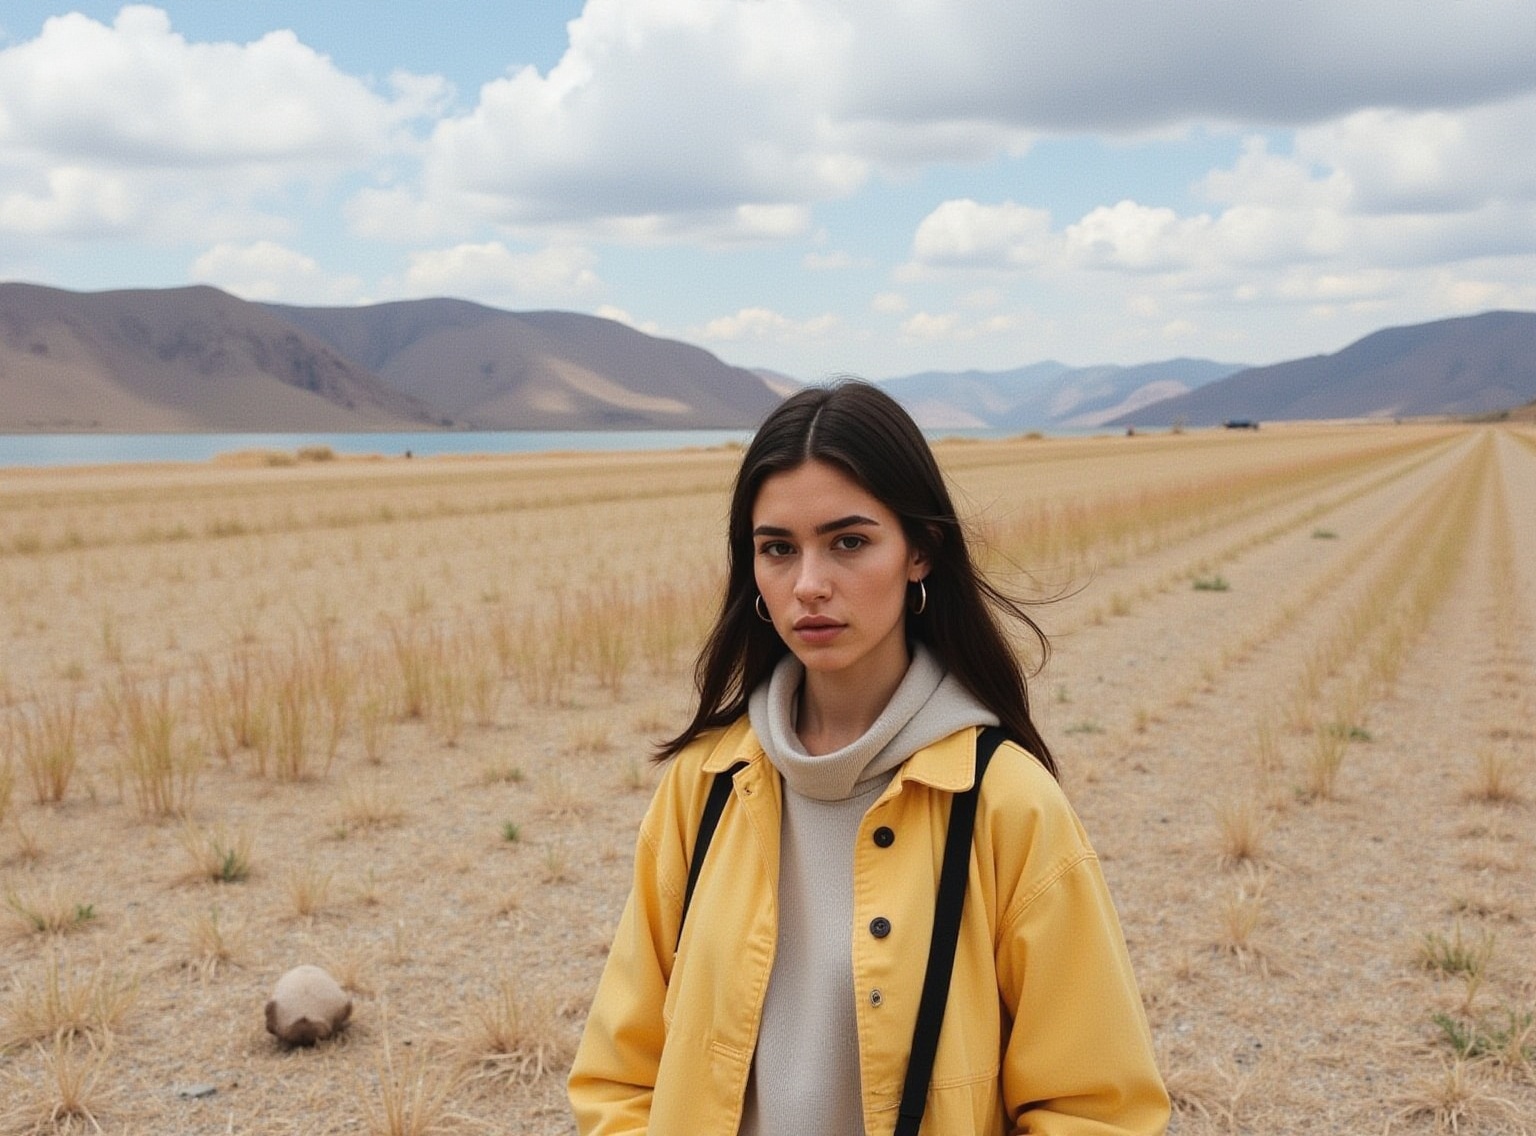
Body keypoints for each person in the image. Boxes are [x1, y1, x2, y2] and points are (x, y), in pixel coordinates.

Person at [568, 381, 1169, 1135]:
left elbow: (1097, 1109)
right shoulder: (703, 785)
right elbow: (617, 1076)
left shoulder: (1007, 802)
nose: (809, 585)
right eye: (777, 549)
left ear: (919, 552)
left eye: (849, 542)